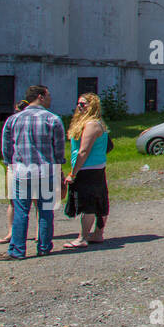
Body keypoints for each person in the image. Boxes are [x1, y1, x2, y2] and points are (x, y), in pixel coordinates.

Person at [0, 85, 65, 261]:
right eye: (48, 95)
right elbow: (58, 147)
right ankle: (44, 247)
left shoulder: (13, 120)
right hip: (46, 171)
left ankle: (17, 250)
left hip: (22, 171)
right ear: (40, 97)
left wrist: (10, 164)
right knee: (45, 211)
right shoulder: (53, 119)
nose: (50, 98)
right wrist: (59, 168)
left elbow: (6, 147)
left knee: (21, 211)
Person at [63, 92, 110, 247]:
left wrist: (73, 173)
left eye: (83, 104)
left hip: (87, 168)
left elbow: (84, 151)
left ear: (92, 105)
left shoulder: (91, 125)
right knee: (99, 200)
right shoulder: (95, 123)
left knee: (89, 203)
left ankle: (83, 237)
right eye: (78, 103)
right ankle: (97, 234)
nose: (79, 106)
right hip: (95, 166)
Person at [0, 99, 31, 245]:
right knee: (15, 200)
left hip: (18, 165)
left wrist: (9, 162)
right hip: (18, 164)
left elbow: (6, 146)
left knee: (16, 200)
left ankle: (14, 232)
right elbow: (6, 144)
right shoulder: (12, 122)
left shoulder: (16, 122)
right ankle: (12, 232)